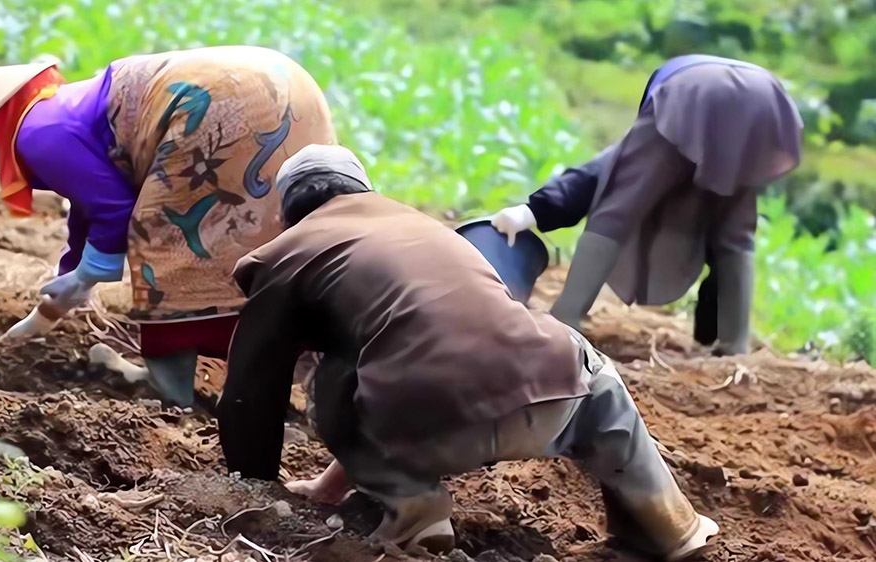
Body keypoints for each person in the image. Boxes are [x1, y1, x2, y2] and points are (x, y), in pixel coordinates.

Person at [217, 144, 719, 561]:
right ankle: (667, 525)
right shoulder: (418, 224)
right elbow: (458, 338)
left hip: (431, 423)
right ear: (363, 190)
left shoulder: (286, 253)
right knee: (593, 374)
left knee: (330, 377)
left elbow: (252, 389)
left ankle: (414, 508)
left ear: (288, 212)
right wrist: (332, 484)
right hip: (554, 398)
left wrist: (252, 485)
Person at [0, 46, 337, 405]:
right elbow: (88, 204)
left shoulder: (36, 135)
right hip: (280, 84)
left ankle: (169, 388)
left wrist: (89, 274)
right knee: (270, 229)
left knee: (170, 242)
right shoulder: (55, 114)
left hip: (221, 104)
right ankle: (312, 355)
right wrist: (63, 289)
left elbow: (113, 208)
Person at [492, 54, 803, 355]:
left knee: (617, 209)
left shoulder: (668, 120)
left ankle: (567, 317)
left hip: (693, 91)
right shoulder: (700, 128)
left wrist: (530, 211)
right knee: (735, 234)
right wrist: (532, 212)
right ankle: (734, 345)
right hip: (768, 101)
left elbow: (598, 177)